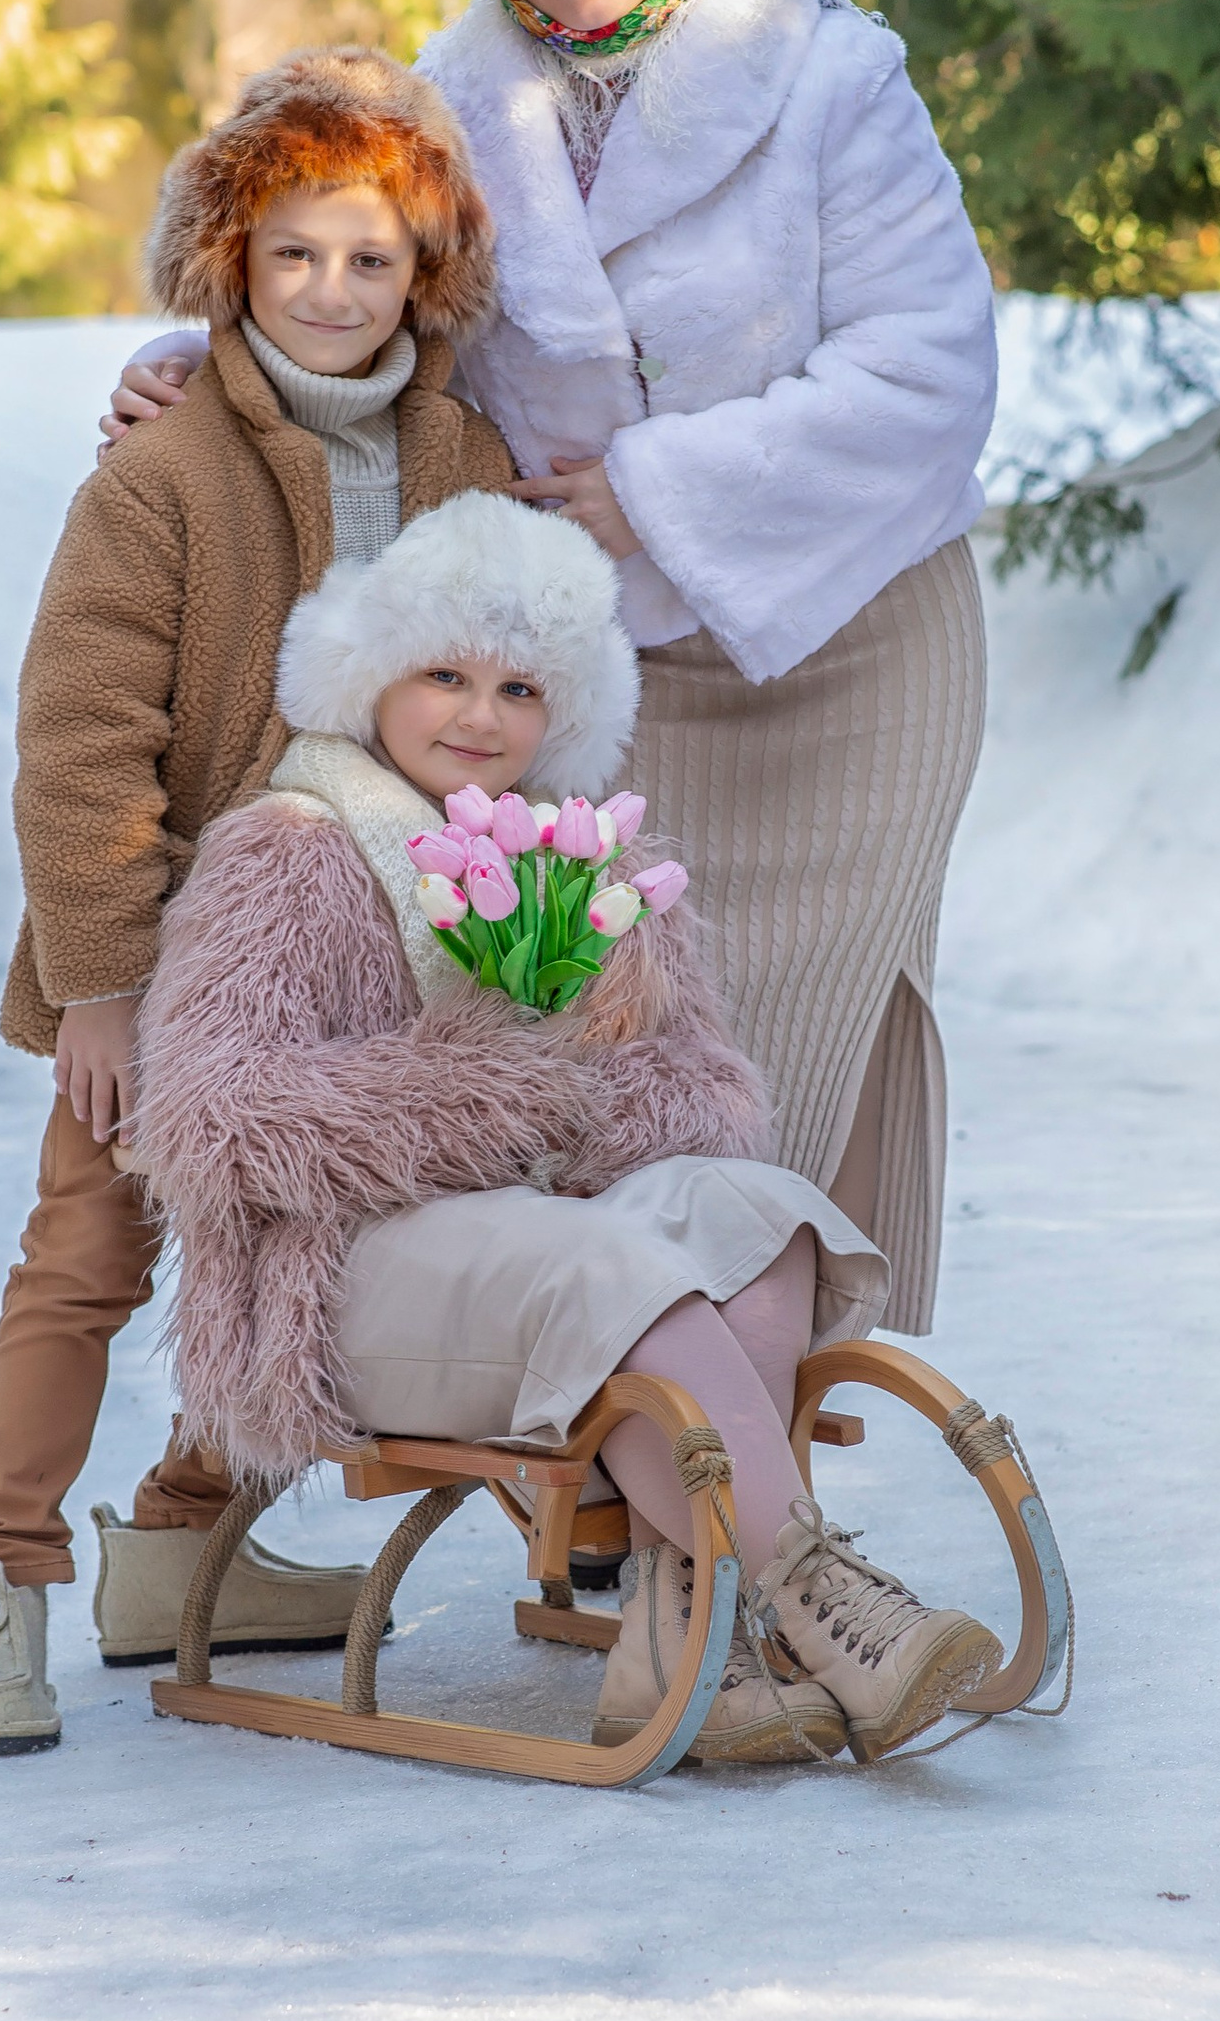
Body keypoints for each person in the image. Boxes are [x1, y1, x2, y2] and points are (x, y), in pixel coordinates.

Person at [104, 0, 999, 1341]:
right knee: (617, 1037)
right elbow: (364, 273)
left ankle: (765, 1410)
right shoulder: (461, 107)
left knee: (803, 1039)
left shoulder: (828, 75)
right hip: (606, 672)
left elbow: (931, 371)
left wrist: (659, 490)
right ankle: (633, 1402)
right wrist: (209, 365)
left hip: (852, 635)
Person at [131, 493, 1001, 1770]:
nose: (481, 719)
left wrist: (597, 1084)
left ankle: (679, 1634)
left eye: (521, 690)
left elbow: (710, 1092)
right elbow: (208, 1116)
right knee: (607, 1265)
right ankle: (817, 1594)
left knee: (757, 1214)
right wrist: (494, 1087)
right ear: (373, 674)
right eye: (445, 676)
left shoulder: (588, 867)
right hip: (351, 1278)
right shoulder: (289, 851)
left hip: (549, 1257)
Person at [0, 49, 519, 1756]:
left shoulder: (462, 458)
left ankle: (183, 1546)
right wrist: (101, 985)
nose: (331, 292)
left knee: (295, 1246)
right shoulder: (161, 473)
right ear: (230, 263)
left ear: (426, 272)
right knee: (89, 1253)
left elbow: (504, 687)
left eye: (371, 259)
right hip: (174, 945)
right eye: (293, 255)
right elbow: (78, 743)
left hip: (367, 938)